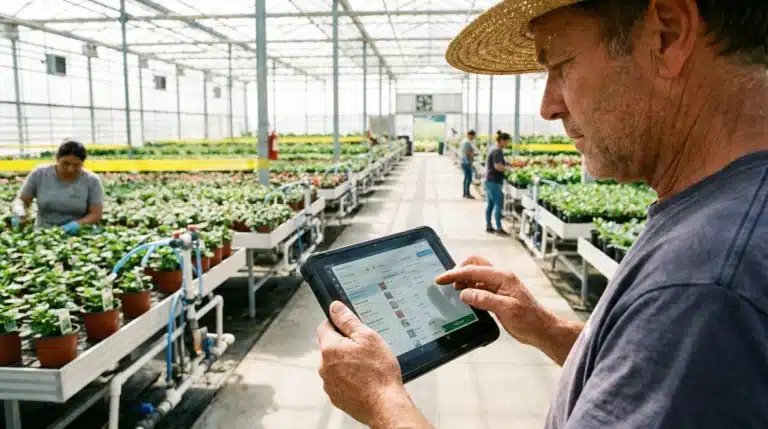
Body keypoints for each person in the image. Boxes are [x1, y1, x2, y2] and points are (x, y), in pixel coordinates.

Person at [316, 1, 768, 429]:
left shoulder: (703, 285)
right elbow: (651, 375)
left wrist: (382, 401)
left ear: (667, 34)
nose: (548, 106)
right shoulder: (725, 213)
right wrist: (547, 329)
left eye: (560, 66)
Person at [12, 140, 104, 234]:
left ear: (83, 163)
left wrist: (77, 225)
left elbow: (96, 214)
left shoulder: (92, 180)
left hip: (79, 235)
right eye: (65, 163)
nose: (70, 169)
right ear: (57, 159)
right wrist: (19, 210)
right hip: (44, 234)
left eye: (76, 165)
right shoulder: (40, 174)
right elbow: (22, 199)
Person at [485, 132, 512, 235]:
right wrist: (509, 169)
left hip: (489, 180)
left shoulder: (494, 149)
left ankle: (488, 225)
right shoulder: (497, 151)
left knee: (490, 205)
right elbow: (497, 166)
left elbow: (499, 163)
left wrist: (507, 164)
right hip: (494, 181)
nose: (507, 143)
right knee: (498, 204)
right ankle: (499, 228)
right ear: (502, 141)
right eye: (507, 141)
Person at [459, 130, 478, 199]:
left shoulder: (464, 141)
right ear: (470, 135)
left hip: (464, 161)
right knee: (469, 178)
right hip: (466, 162)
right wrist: (474, 154)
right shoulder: (467, 142)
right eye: (473, 136)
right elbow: (468, 152)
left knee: (466, 178)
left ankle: (465, 193)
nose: (473, 137)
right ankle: (467, 194)